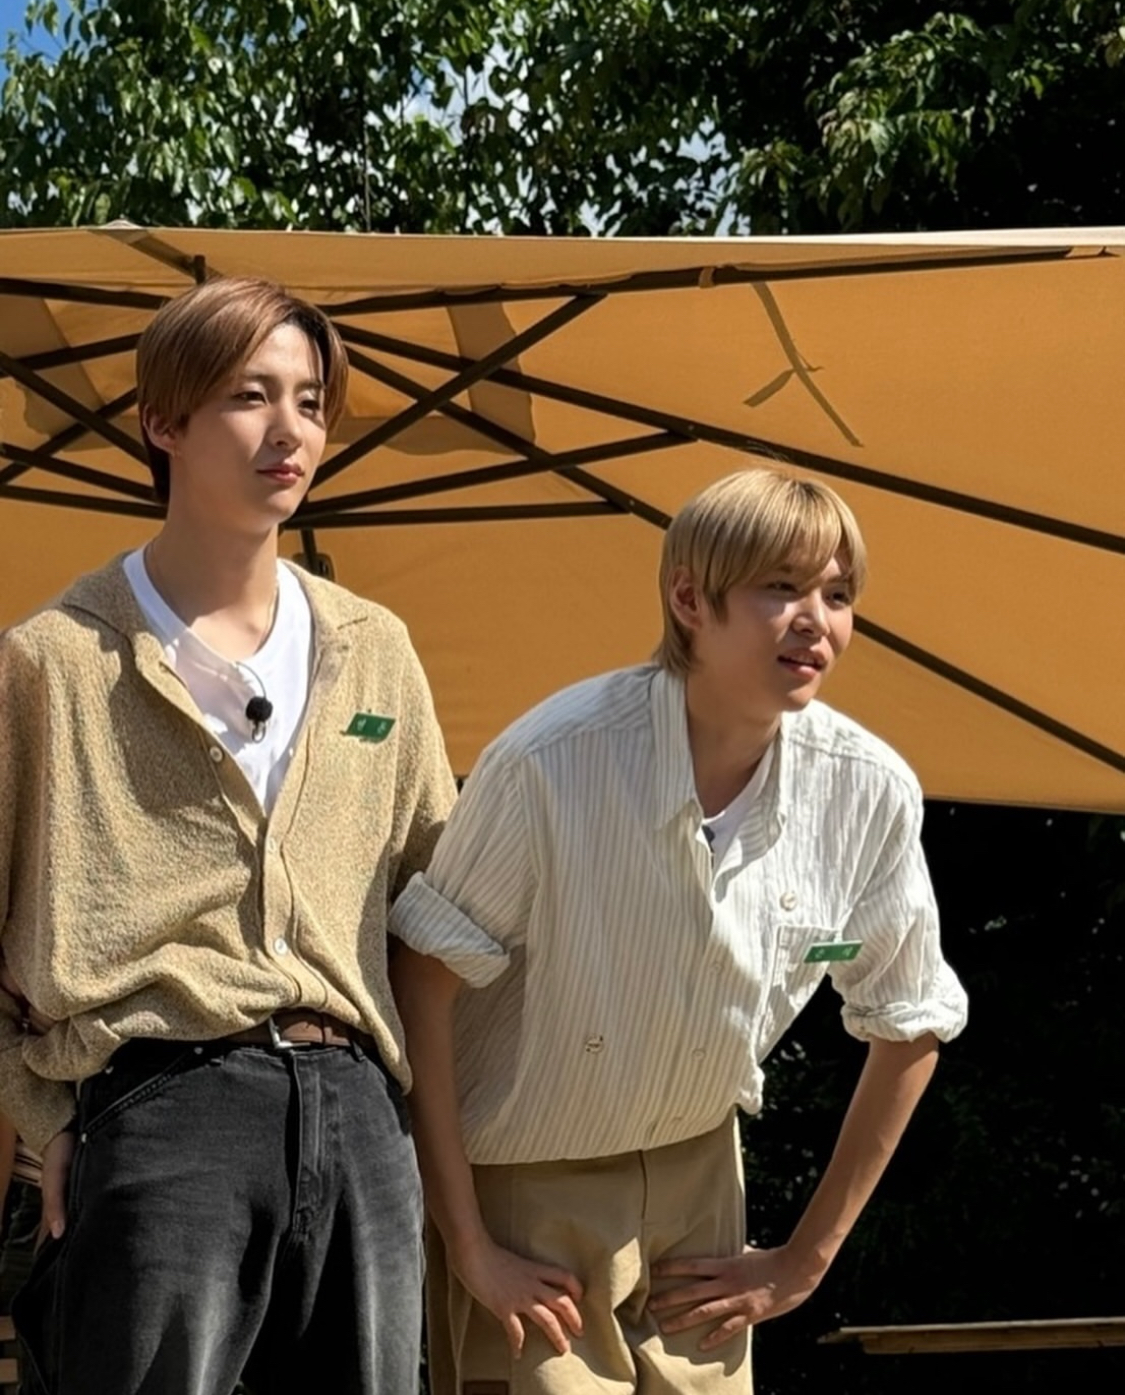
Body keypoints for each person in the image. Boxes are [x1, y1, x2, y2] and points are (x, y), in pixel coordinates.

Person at [390, 467, 968, 1395]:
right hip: (522, 1193)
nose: (815, 620)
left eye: (837, 594)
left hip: (703, 1199)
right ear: (689, 598)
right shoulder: (550, 760)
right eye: (780, 586)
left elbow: (913, 1020)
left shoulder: (868, 789)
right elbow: (421, 978)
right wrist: (466, 1241)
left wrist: (804, 1259)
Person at [0, 277, 456, 1395]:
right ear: (164, 421)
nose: (290, 429)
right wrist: (41, 1111)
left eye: (311, 401)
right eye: (251, 396)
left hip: (361, 1116)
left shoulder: (375, 650)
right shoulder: (53, 662)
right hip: (162, 1112)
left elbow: (436, 905)